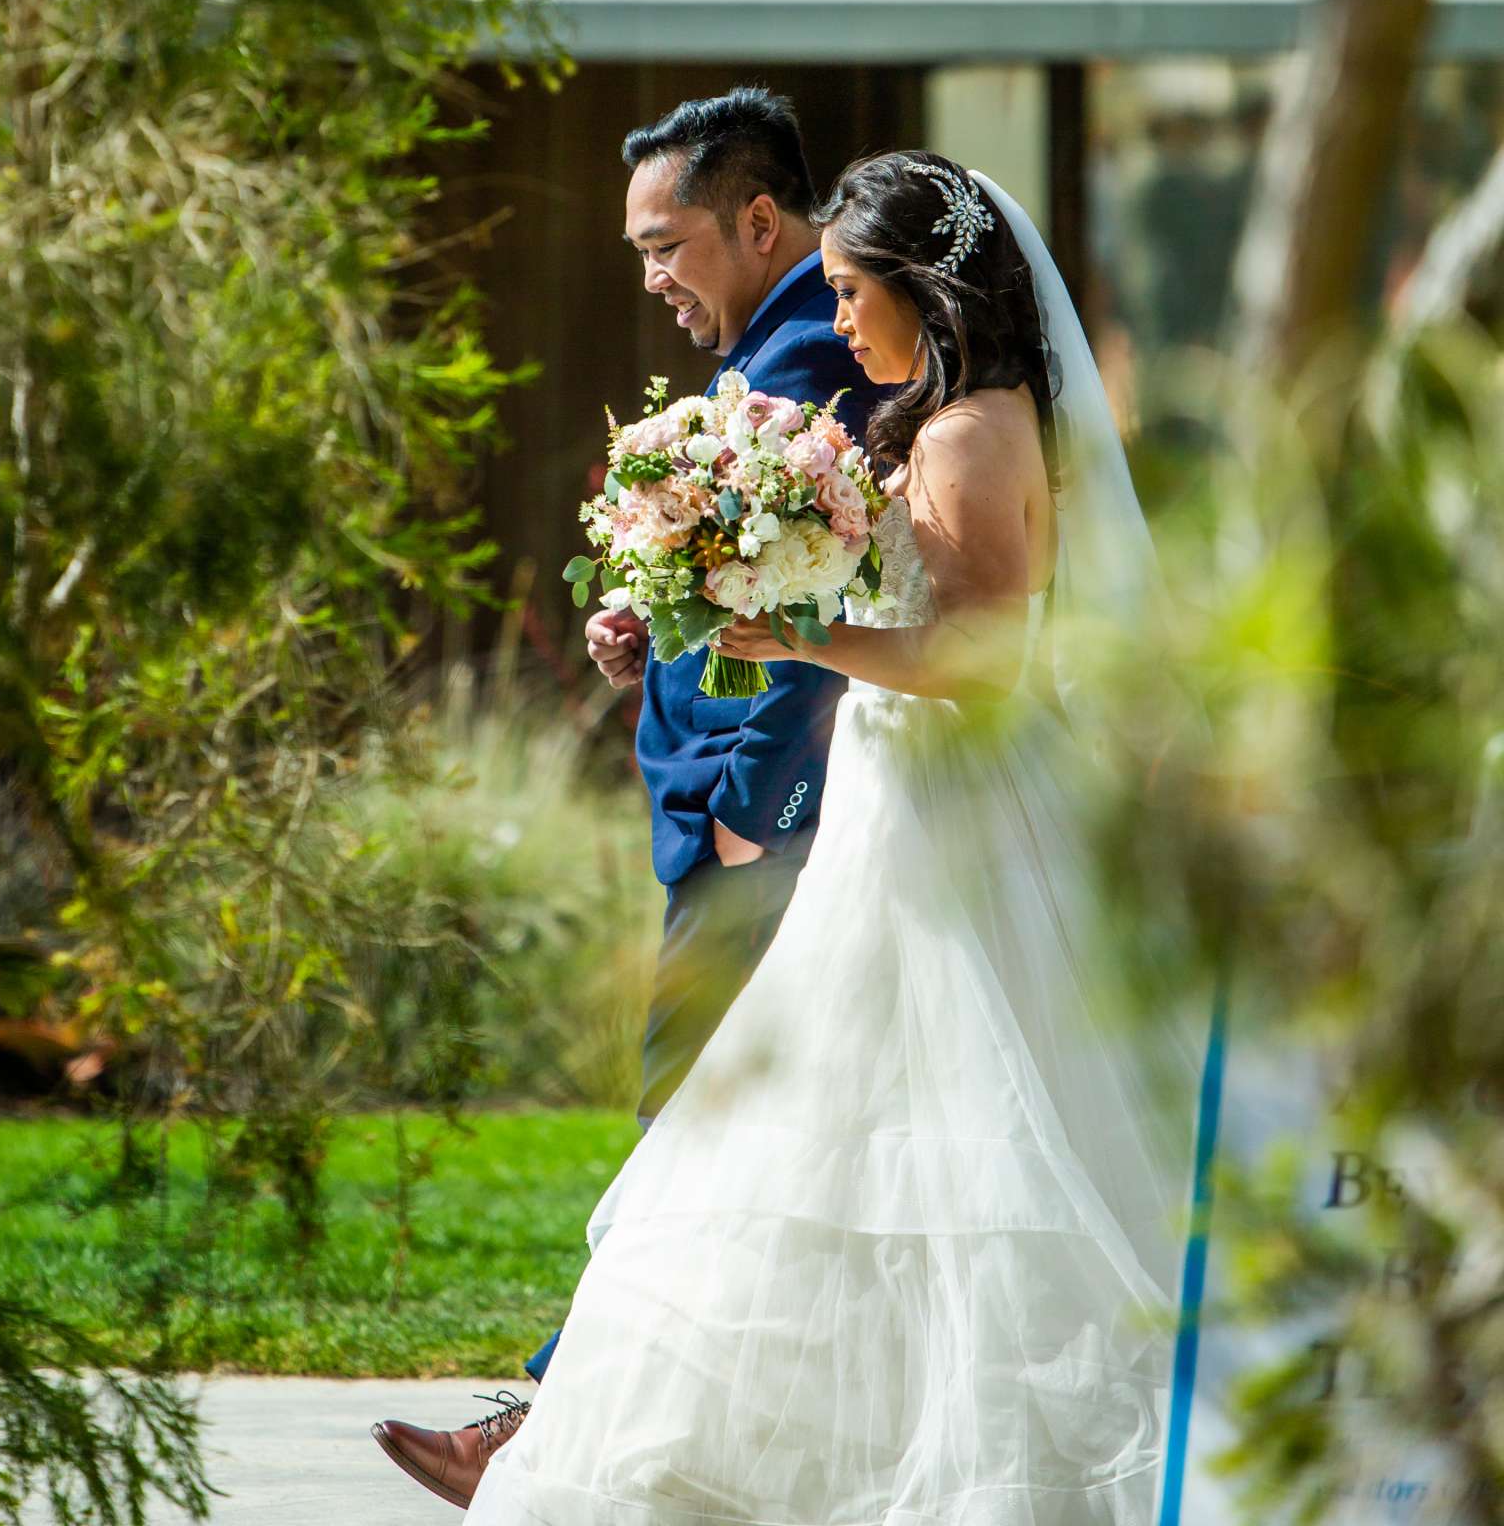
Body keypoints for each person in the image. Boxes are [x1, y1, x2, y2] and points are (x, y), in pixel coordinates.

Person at [460, 152, 1198, 1526]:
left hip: (956, 805)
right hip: (893, 795)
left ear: (929, 289)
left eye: (857, 292)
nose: (841, 317)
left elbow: (980, 661)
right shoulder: (929, 413)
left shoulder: (976, 430)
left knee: (963, 1119)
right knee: (855, 1115)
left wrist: (800, 631)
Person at [373, 88, 886, 1508]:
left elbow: (830, 607)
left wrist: (759, 810)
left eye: (666, 245)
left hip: (761, 826)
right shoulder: (778, 351)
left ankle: (539, 1426)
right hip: (736, 810)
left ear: (759, 220)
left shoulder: (807, 364)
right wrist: (646, 623)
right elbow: (745, 586)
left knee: (691, 1120)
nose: (649, 278)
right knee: (734, 1130)